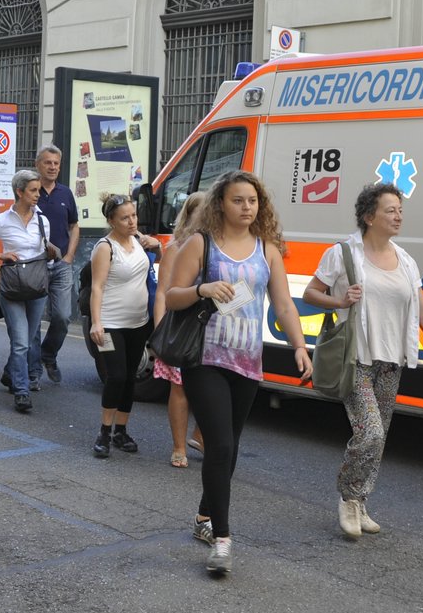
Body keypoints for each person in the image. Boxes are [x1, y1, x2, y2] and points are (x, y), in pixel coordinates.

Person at [163, 170, 313, 576]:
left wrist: (300, 346)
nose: (247, 208)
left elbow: (283, 304)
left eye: (253, 201)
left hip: (248, 363)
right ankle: (222, 541)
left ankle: (203, 517)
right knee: (221, 446)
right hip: (205, 358)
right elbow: (172, 296)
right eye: (238, 200)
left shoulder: (267, 250)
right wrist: (202, 290)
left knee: (228, 449)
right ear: (221, 204)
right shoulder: (201, 244)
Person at [303, 183, 423, 540]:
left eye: (400, 210)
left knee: (380, 437)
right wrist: (339, 302)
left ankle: (360, 501)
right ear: (368, 216)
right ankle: (347, 497)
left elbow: (422, 309)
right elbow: (310, 293)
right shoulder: (343, 254)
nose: (398, 216)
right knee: (370, 432)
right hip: (356, 357)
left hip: (392, 361)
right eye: (390, 210)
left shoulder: (404, 260)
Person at [0, 169, 59, 413]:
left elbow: (46, 257)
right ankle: (21, 391)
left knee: (30, 340)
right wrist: (0, 255)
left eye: (38, 190)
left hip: (36, 286)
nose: (37, 195)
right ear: (19, 192)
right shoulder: (2, 221)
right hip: (12, 287)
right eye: (32, 190)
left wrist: (51, 254)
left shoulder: (43, 220)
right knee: (21, 342)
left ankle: (10, 373)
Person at [86, 193, 162, 458]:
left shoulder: (139, 241)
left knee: (130, 377)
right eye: (124, 218)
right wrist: (96, 323)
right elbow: (97, 287)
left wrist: (157, 246)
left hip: (138, 322)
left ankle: (121, 430)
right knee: (116, 376)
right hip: (109, 325)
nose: (132, 222)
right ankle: (104, 432)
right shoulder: (105, 247)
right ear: (111, 221)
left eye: (134, 215)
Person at [152, 191, 209, 468]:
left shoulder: (220, 245)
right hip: (182, 327)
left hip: (210, 328)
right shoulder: (176, 247)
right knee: (180, 388)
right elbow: (163, 292)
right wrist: (160, 332)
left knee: (209, 387)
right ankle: (178, 447)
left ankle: (199, 434)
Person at [34, 144, 80, 386]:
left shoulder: (65, 193)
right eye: (47, 163)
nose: (52, 167)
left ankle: (48, 354)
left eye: (56, 163)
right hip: (35, 266)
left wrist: (70, 255)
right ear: (37, 165)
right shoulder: (30, 191)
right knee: (33, 318)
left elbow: (74, 226)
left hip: (62, 264)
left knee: (62, 316)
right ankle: (32, 368)